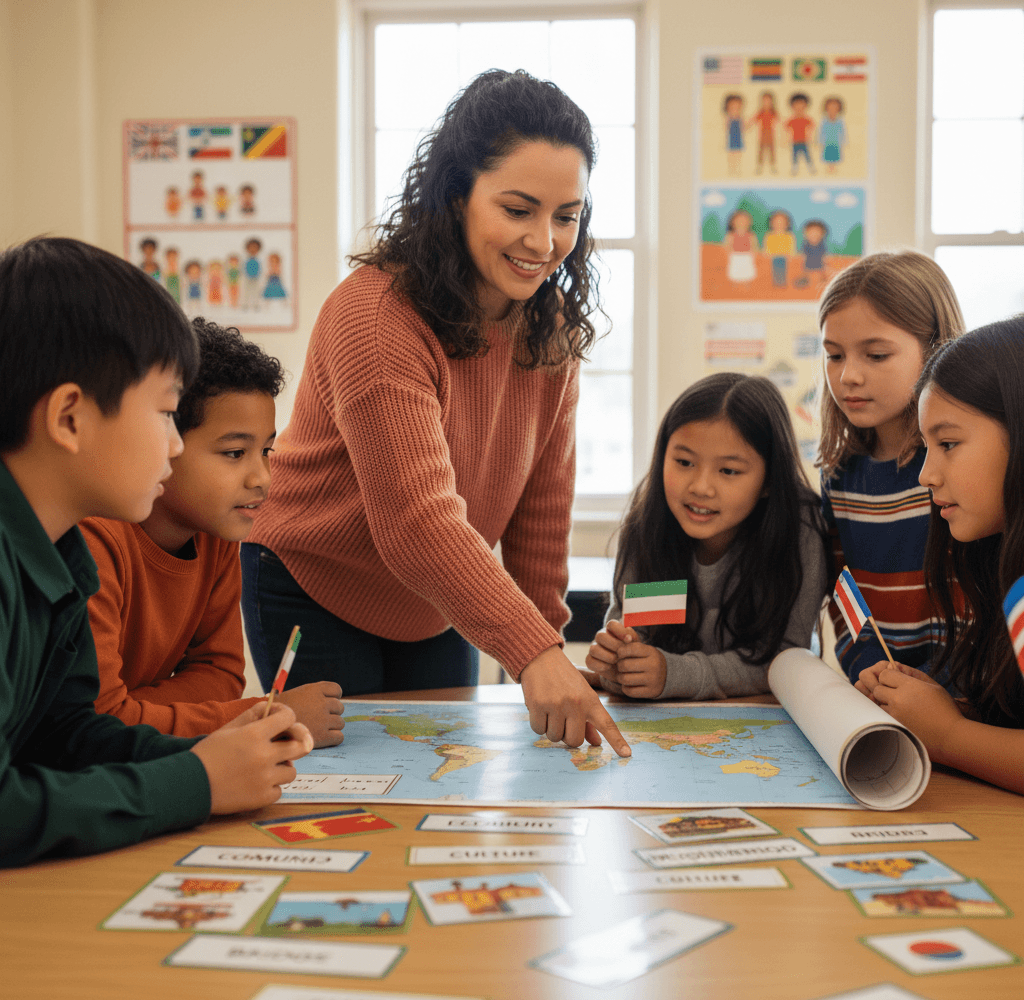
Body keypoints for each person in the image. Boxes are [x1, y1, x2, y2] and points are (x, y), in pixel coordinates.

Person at [242, 69, 630, 756]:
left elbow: (542, 505)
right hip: (314, 583)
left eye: (566, 216)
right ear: (455, 198)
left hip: (439, 597)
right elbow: (416, 522)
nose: (544, 242)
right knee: (342, 794)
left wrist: (538, 643)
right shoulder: (375, 316)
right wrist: (537, 653)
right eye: (518, 209)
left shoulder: (551, 325)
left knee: (449, 769)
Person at [0, 236, 312, 868]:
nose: (172, 448)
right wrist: (196, 783)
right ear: (69, 418)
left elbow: (66, 737)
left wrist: (211, 759)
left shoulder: (58, 548)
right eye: (167, 412)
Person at [80, 318, 343, 747]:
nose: (262, 478)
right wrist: (266, 717)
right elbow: (102, 722)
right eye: (235, 453)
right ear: (163, 441)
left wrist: (139, 708)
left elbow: (220, 676)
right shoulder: (96, 539)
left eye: (266, 451)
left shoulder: (218, 532)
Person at [856, 319, 1024, 795]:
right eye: (927, 448)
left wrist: (949, 735)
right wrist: (932, 705)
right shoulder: (999, 568)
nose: (926, 475)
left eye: (948, 444)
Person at [585, 373, 830, 700]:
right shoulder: (650, 525)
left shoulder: (797, 532)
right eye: (684, 462)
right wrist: (618, 664)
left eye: (728, 471)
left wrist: (673, 674)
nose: (700, 487)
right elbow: (637, 637)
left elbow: (784, 659)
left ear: (770, 479)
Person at [817, 251, 965, 684]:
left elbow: (985, 597)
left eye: (876, 355)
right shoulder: (839, 477)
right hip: (877, 693)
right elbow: (844, 600)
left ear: (937, 349)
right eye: (834, 355)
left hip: (962, 699)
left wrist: (938, 689)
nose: (848, 377)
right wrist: (871, 673)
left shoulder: (964, 468)